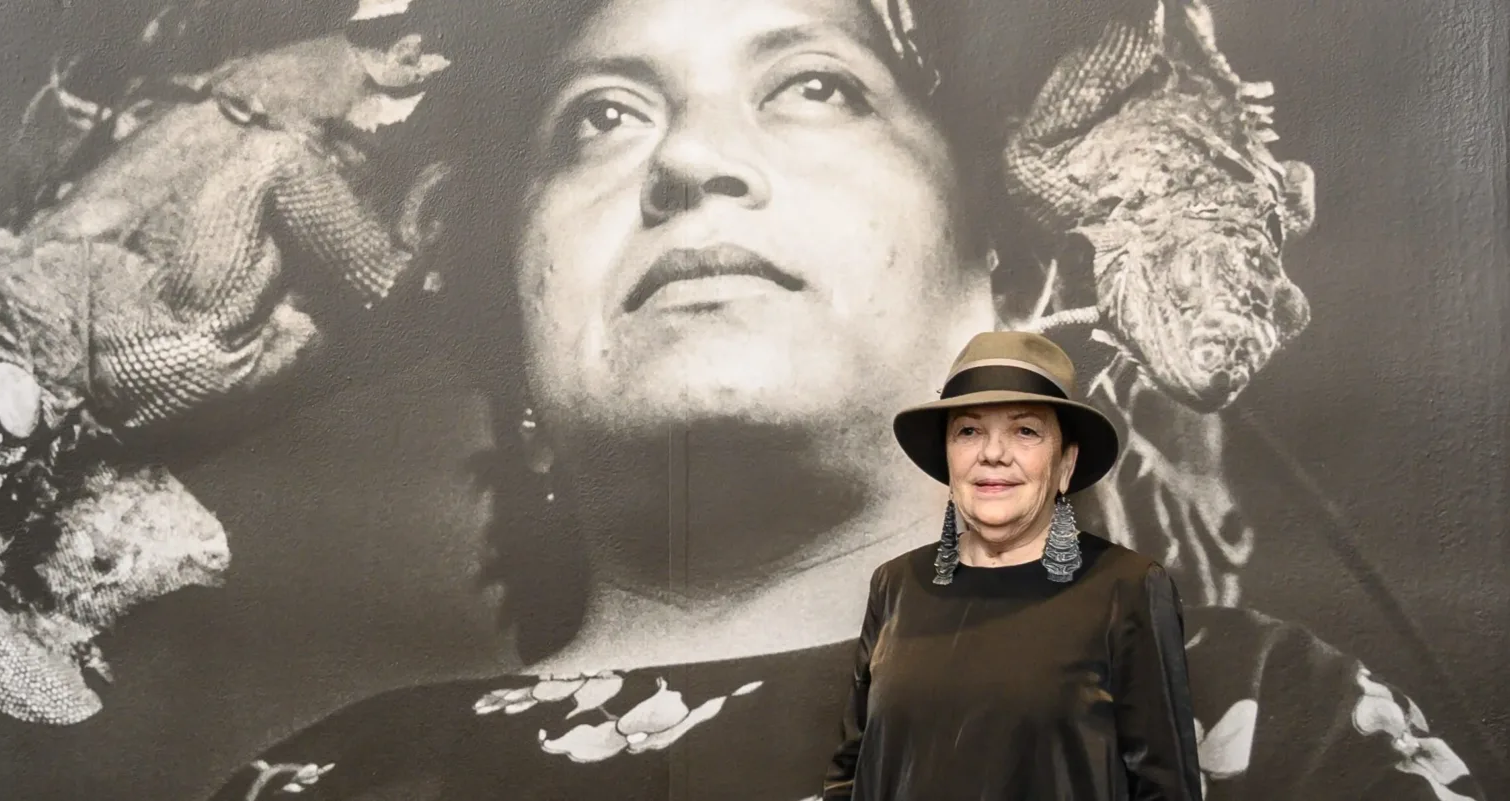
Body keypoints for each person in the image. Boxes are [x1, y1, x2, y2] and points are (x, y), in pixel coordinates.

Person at [203, 0, 1489, 798]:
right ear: (516, 325)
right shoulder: (319, 786)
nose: (691, 160)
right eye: (599, 117)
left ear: (1008, 277)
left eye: (817, 87)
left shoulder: (1227, 717)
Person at [823, 329, 1200, 800]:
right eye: (969, 431)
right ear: (949, 458)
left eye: (1025, 431)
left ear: (1065, 464)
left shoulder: (1128, 589)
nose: (993, 454)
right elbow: (850, 770)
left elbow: (1165, 789)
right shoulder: (897, 585)